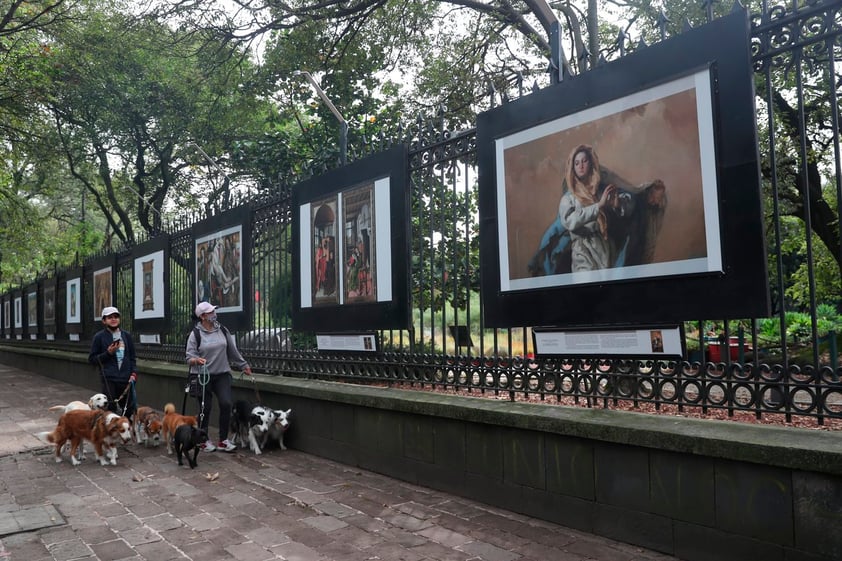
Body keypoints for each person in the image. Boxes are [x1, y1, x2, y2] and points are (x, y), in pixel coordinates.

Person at [529, 144, 667, 275]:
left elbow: (628, 203)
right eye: (577, 163)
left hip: (605, 248)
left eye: (584, 161)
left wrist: (617, 204)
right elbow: (570, 221)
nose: (581, 166)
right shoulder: (569, 198)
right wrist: (599, 206)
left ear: (591, 163)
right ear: (572, 168)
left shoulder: (601, 190)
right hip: (582, 251)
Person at [185, 301, 252, 452]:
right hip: (203, 376)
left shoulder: (222, 329)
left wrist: (243, 365)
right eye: (210, 312)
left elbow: (232, 350)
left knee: (226, 403)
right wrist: (196, 360)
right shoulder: (195, 334)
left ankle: (223, 440)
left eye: (214, 311)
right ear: (202, 316)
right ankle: (203, 440)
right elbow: (189, 357)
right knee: (205, 408)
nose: (214, 314)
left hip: (222, 374)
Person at [88, 306, 137, 420]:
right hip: (109, 379)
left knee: (129, 409)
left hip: (126, 379)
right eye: (110, 317)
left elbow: (132, 358)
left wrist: (134, 373)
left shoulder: (126, 336)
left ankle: (126, 432)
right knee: (110, 410)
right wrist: (108, 353)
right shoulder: (99, 337)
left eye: (116, 317)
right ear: (104, 321)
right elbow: (92, 359)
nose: (113, 319)